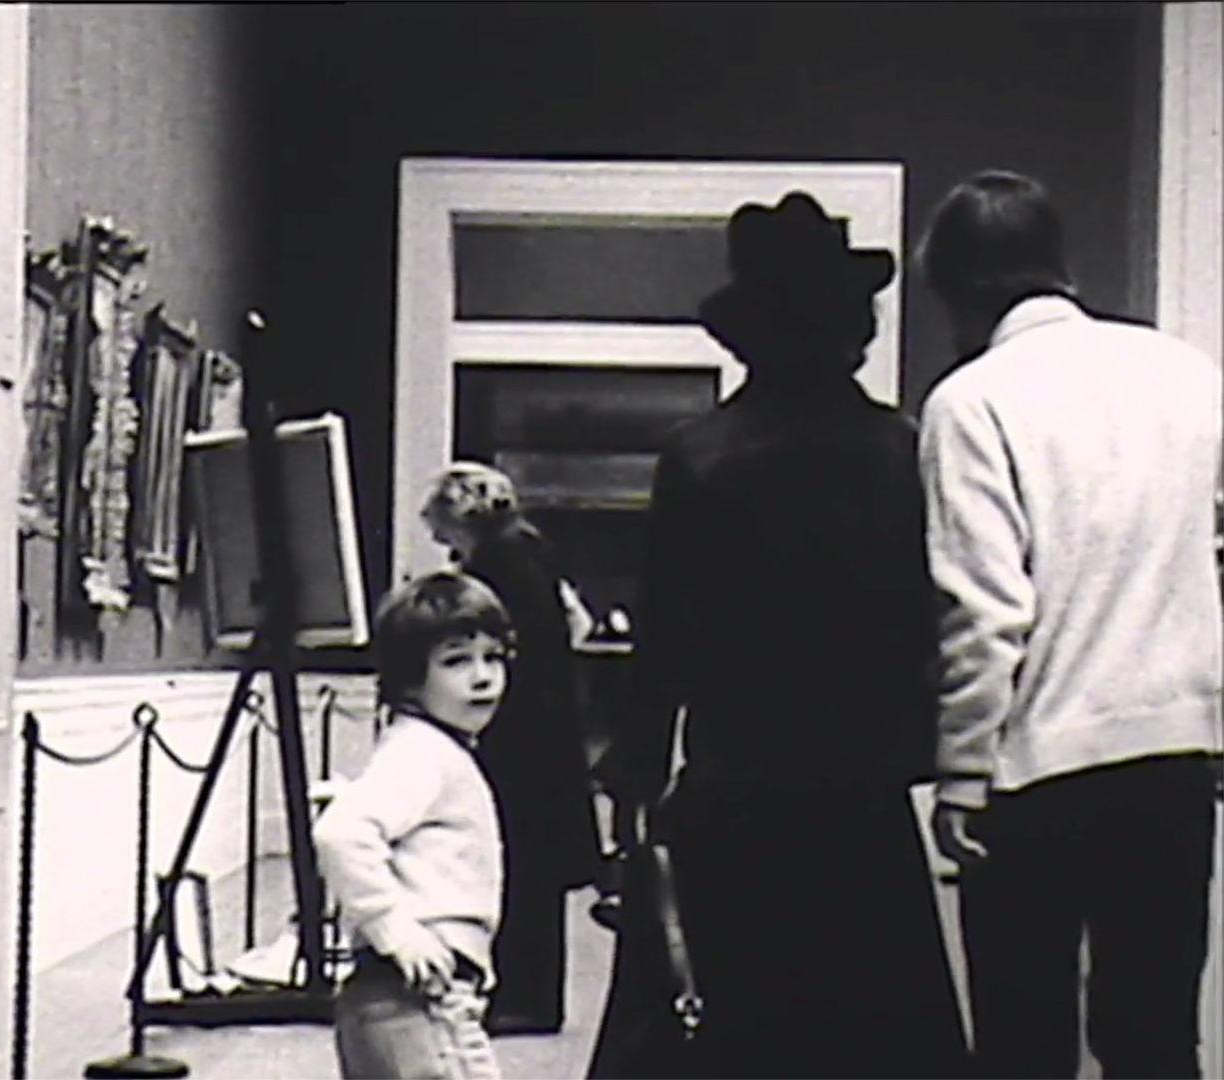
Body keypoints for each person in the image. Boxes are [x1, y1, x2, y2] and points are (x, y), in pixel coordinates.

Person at [591, 191, 967, 1079]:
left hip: (736, 794)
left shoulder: (698, 456)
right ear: (851, 329)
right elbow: (929, 618)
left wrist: (633, 778)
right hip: (861, 800)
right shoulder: (898, 451)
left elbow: (663, 646)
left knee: (738, 1039)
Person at [916, 169, 1223, 1079]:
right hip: (1172, 754)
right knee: (1156, 1034)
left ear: (960, 289)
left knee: (1022, 1044)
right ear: (1059, 266)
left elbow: (981, 608)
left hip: (1036, 769)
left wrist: (961, 775)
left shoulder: (970, 401)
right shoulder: (1186, 373)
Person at [421, 462, 602, 1035]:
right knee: (532, 864)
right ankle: (528, 995)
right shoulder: (526, 551)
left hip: (519, 733)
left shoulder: (499, 564)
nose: (435, 537)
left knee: (519, 861)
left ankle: (522, 997)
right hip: (542, 731)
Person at [312, 571, 513, 1079]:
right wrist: (393, 927)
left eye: (494, 657)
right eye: (455, 661)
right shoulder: (424, 752)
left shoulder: (424, 747)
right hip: (418, 996)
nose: (483, 676)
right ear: (408, 678)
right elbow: (341, 831)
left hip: (399, 997)